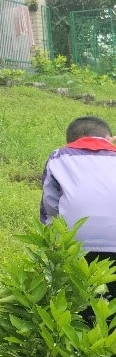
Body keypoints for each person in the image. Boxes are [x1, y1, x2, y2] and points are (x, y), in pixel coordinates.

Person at [40, 115, 116, 280]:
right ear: (109, 139)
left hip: (74, 246)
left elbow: (49, 206)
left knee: (77, 298)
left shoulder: (58, 157)